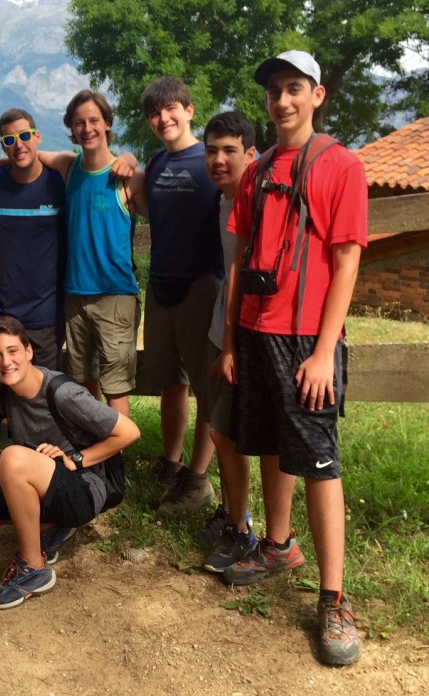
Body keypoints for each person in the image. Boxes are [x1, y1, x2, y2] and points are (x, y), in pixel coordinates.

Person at [219, 51, 367, 666]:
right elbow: (241, 253)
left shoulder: (341, 165)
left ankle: (334, 599)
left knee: (319, 463)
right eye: (275, 91)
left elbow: (348, 259)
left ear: (317, 95)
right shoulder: (256, 171)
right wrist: (231, 340)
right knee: (275, 444)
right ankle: (278, 545)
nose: (282, 101)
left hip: (308, 340)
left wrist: (324, 351)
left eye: (293, 89)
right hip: (257, 331)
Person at [0, 316, 140, 610]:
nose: (5, 362)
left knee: (12, 458)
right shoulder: (0, 393)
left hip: (85, 489)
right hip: (40, 481)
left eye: (13, 351)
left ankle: (32, 568)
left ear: (29, 352)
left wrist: (77, 459)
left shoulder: (62, 392)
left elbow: (129, 431)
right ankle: (53, 525)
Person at [130, 77, 224, 517]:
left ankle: (198, 480)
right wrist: (130, 165)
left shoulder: (211, 159)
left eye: (171, 109)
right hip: (161, 286)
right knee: (172, 382)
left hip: (200, 286)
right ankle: (171, 463)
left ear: (189, 109)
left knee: (206, 388)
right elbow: (150, 207)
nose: (163, 118)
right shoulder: (157, 160)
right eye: (154, 113)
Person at [42, 90, 146, 418]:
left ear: (107, 124)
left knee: (116, 389)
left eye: (93, 121)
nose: (87, 128)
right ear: (71, 129)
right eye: (79, 122)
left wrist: (131, 157)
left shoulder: (128, 177)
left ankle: (116, 466)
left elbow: (164, 216)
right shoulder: (68, 166)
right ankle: (92, 459)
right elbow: (25, 154)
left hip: (115, 295)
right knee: (83, 387)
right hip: (75, 295)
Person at [195, 111, 258, 571]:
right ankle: (234, 511)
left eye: (229, 150)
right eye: (212, 150)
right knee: (220, 427)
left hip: (249, 333)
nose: (218, 159)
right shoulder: (223, 200)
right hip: (223, 328)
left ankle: (243, 528)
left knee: (231, 431)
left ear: (251, 155)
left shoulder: (259, 200)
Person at [0, 108, 67, 369]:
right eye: (9, 140)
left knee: (45, 393)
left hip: (48, 313)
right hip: (2, 312)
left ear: (38, 137)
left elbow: (93, 167)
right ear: (2, 145)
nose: (18, 145)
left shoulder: (59, 182)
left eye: (24, 136)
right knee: (5, 394)